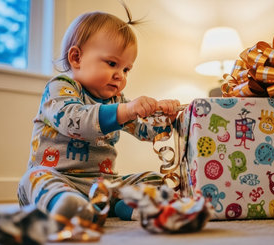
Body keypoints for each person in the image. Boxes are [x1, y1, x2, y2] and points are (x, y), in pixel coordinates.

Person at [17, 5, 180, 229]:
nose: (120, 76)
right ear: (76, 58)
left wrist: (165, 119)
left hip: (104, 184)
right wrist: (127, 110)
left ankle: (128, 206)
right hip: (59, 177)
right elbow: (75, 120)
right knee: (33, 179)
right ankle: (68, 206)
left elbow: (144, 131)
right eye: (112, 63)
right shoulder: (60, 88)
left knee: (152, 179)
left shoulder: (117, 100)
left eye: (126, 69)